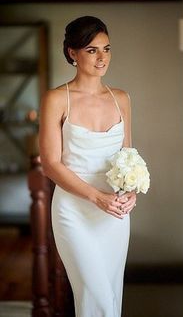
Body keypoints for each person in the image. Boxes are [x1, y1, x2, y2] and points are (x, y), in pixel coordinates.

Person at [39, 16, 137, 317]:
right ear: (72, 52)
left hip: (115, 214)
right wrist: (96, 197)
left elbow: (128, 155)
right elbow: (50, 164)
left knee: (110, 295)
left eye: (106, 49)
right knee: (97, 299)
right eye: (92, 50)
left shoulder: (121, 98)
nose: (102, 58)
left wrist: (132, 191)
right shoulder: (56, 99)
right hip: (74, 211)